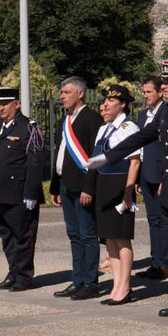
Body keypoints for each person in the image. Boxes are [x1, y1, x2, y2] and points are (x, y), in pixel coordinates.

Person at [87, 60, 168, 319]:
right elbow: (141, 137)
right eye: (163, 82)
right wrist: (108, 157)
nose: (163, 86)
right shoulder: (165, 111)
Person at [0, 87, 46, 292]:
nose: (1, 108)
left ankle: (24, 276)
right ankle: (13, 272)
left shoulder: (28, 127)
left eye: (5, 104)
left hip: (18, 193)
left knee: (22, 236)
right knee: (6, 235)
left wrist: (31, 193)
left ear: (16, 104)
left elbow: (35, 162)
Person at [49, 76, 102, 301]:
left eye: (66, 92)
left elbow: (95, 157)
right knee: (73, 235)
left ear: (80, 94)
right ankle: (77, 280)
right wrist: (54, 185)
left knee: (87, 234)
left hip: (82, 186)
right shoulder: (66, 119)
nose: (62, 96)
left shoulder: (92, 119)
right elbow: (61, 153)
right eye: (62, 93)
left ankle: (90, 283)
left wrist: (88, 188)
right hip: (64, 184)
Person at [89, 85, 141, 305]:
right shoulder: (103, 129)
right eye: (105, 101)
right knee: (109, 237)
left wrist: (128, 192)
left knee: (122, 237)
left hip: (120, 185)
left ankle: (125, 285)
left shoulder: (129, 128)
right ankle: (117, 283)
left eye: (111, 101)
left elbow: (135, 161)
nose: (105, 105)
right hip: (104, 184)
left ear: (123, 105)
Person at [135, 76, 168, 279]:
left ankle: (166, 262)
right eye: (144, 92)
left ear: (159, 92)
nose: (145, 95)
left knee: (164, 220)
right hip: (146, 171)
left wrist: (165, 176)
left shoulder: (166, 112)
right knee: (152, 219)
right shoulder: (142, 116)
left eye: (149, 91)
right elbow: (140, 148)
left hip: (161, 173)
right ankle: (155, 261)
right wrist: (139, 177)